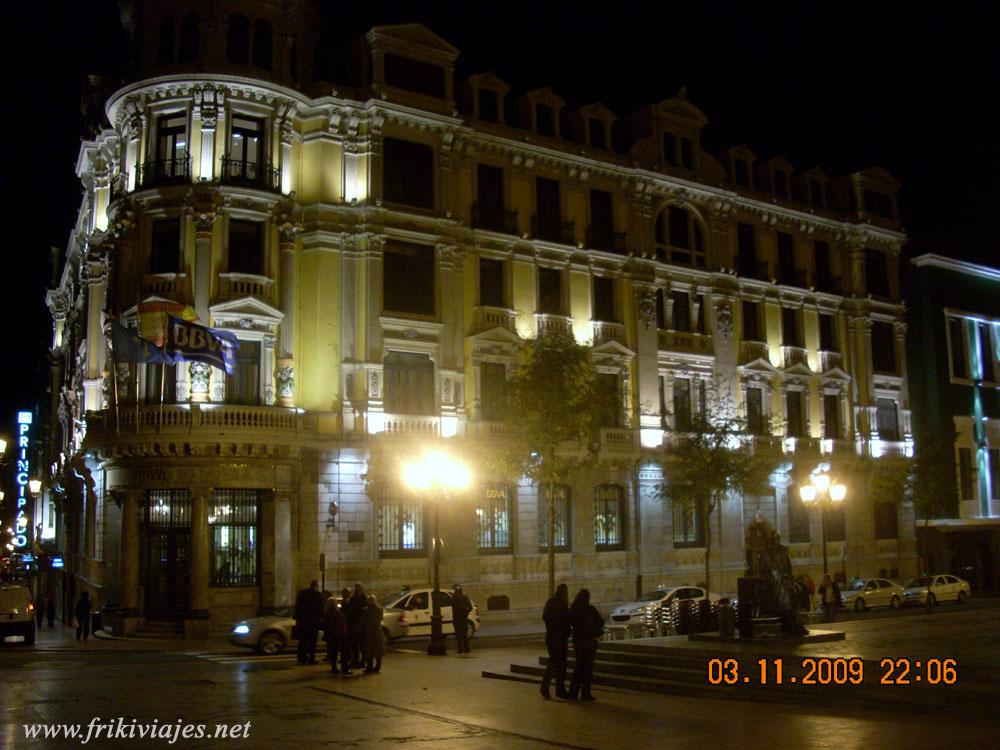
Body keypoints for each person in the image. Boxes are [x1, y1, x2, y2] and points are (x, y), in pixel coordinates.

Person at [568, 588, 604, 702]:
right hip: (589, 640)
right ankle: (585, 693)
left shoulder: (574, 609)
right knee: (588, 668)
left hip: (578, 641)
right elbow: (600, 622)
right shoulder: (590, 609)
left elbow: (571, 623)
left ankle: (573, 692)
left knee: (579, 667)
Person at [540, 583, 571, 699]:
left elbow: (545, 617)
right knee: (561, 664)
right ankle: (559, 689)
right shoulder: (562, 604)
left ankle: (545, 688)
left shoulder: (550, 602)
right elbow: (568, 618)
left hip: (551, 636)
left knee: (552, 663)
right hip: (560, 637)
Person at [294, 580, 324, 665]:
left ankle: (302, 659)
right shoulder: (318, 595)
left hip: (303, 622)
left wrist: (298, 620)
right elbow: (320, 609)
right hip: (313, 622)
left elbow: (297, 608)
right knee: (312, 642)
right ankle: (311, 658)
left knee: (303, 641)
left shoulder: (301, 593)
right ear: (316, 586)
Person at [321, 595, 351, 675]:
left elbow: (324, 625)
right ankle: (344, 668)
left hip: (331, 635)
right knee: (344, 652)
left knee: (333, 652)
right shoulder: (338, 613)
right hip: (340, 635)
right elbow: (342, 624)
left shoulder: (326, 614)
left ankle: (334, 668)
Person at [344, 582, 367, 668]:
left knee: (362, 644)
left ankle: (362, 661)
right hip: (355, 624)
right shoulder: (354, 599)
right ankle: (356, 660)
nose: (358, 590)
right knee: (355, 644)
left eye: (359, 588)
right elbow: (350, 612)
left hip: (361, 625)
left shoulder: (364, 599)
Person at [361, 594, 385, 674]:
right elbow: (380, 618)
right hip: (377, 631)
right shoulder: (379, 609)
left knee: (369, 649)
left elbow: (364, 620)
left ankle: (369, 667)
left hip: (369, 631)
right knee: (378, 649)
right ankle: (377, 667)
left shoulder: (367, 610)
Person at [451, 584, 473, 654]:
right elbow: (470, 607)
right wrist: (466, 612)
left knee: (458, 634)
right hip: (463, 617)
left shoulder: (453, 598)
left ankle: (460, 648)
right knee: (464, 633)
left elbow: (452, 607)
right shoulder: (465, 597)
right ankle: (466, 648)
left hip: (457, 618)